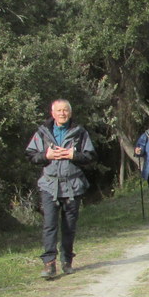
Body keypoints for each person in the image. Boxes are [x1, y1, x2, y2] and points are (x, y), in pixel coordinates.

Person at [25, 99, 96, 279]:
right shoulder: (42, 132)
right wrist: (45, 155)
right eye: (59, 110)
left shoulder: (80, 133)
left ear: (70, 113)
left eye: (65, 110)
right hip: (49, 185)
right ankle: (49, 264)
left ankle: (67, 260)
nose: (62, 113)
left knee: (69, 226)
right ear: (53, 113)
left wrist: (74, 155)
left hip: (73, 186)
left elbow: (90, 156)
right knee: (49, 225)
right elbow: (30, 155)